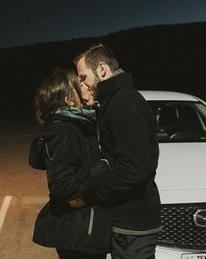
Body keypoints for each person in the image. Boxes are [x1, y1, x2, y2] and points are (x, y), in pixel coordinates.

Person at [73, 44, 161, 259]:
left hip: (134, 226)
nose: (81, 84)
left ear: (102, 69)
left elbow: (132, 169)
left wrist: (91, 197)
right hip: (125, 222)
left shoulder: (124, 104)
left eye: (83, 77)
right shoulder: (113, 102)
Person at [31, 68, 111, 259]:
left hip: (79, 231)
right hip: (78, 234)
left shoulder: (76, 125)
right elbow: (62, 185)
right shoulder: (66, 130)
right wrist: (103, 167)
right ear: (69, 99)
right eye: (78, 84)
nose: (83, 86)